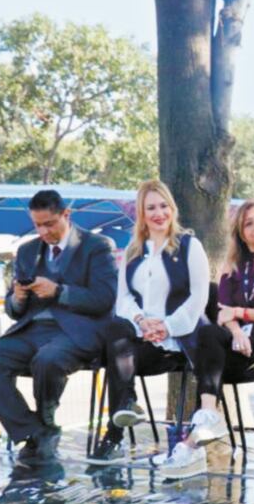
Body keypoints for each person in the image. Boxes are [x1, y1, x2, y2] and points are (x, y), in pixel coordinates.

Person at [154, 199, 254, 479]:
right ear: (240, 232)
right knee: (210, 334)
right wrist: (236, 331)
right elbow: (223, 313)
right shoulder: (232, 264)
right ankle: (205, 422)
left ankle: (192, 442)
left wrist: (238, 313)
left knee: (209, 356)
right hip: (242, 344)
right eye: (249, 223)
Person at [0, 189, 118, 465]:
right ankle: (36, 432)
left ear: (66, 215)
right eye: (37, 224)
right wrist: (17, 298)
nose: (43, 231)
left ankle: (44, 421)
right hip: (31, 331)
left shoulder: (97, 245)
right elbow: (13, 310)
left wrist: (59, 291)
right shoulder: (26, 251)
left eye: (49, 223)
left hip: (76, 332)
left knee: (48, 359)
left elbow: (105, 298)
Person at [87, 180, 213, 465]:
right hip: (142, 339)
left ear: (173, 208)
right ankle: (127, 404)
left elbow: (198, 298)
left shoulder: (190, 246)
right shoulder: (134, 251)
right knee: (115, 330)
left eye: (163, 206)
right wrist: (142, 321)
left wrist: (165, 326)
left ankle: (114, 434)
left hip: (179, 340)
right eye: (151, 208)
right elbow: (123, 299)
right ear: (142, 214)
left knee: (117, 357)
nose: (159, 213)